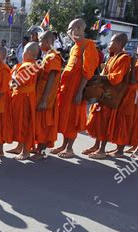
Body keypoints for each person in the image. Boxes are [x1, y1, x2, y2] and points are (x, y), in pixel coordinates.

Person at [52, 18, 99, 158]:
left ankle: (70, 148)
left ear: (78, 29)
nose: (68, 32)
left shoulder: (88, 45)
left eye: (70, 29)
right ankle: (64, 145)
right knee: (65, 117)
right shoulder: (74, 47)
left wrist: (79, 91)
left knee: (73, 119)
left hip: (76, 90)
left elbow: (88, 70)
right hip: (66, 90)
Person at [84, 33, 131, 159]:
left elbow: (116, 78)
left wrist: (98, 77)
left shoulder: (124, 58)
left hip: (111, 95)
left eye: (111, 41)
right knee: (97, 119)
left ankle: (102, 150)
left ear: (119, 43)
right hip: (103, 94)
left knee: (105, 122)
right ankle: (96, 145)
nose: (109, 44)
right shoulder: (112, 57)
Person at [107, 38, 138, 158]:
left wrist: (132, 65)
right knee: (121, 119)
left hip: (135, 93)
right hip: (127, 92)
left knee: (127, 120)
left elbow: (134, 80)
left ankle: (120, 150)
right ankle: (119, 147)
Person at [7, 42, 40, 160]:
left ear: (29, 53)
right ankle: (19, 147)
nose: (22, 53)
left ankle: (26, 151)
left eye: (24, 51)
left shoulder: (28, 66)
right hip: (23, 97)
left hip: (24, 99)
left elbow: (16, 83)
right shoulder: (30, 64)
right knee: (21, 123)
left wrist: (11, 75)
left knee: (24, 124)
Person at [34, 31, 63, 160]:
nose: (39, 44)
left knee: (45, 124)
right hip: (41, 95)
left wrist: (44, 100)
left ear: (47, 41)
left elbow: (51, 78)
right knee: (40, 123)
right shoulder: (47, 56)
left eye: (40, 41)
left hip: (46, 98)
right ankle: (39, 147)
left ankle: (42, 150)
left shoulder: (53, 57)